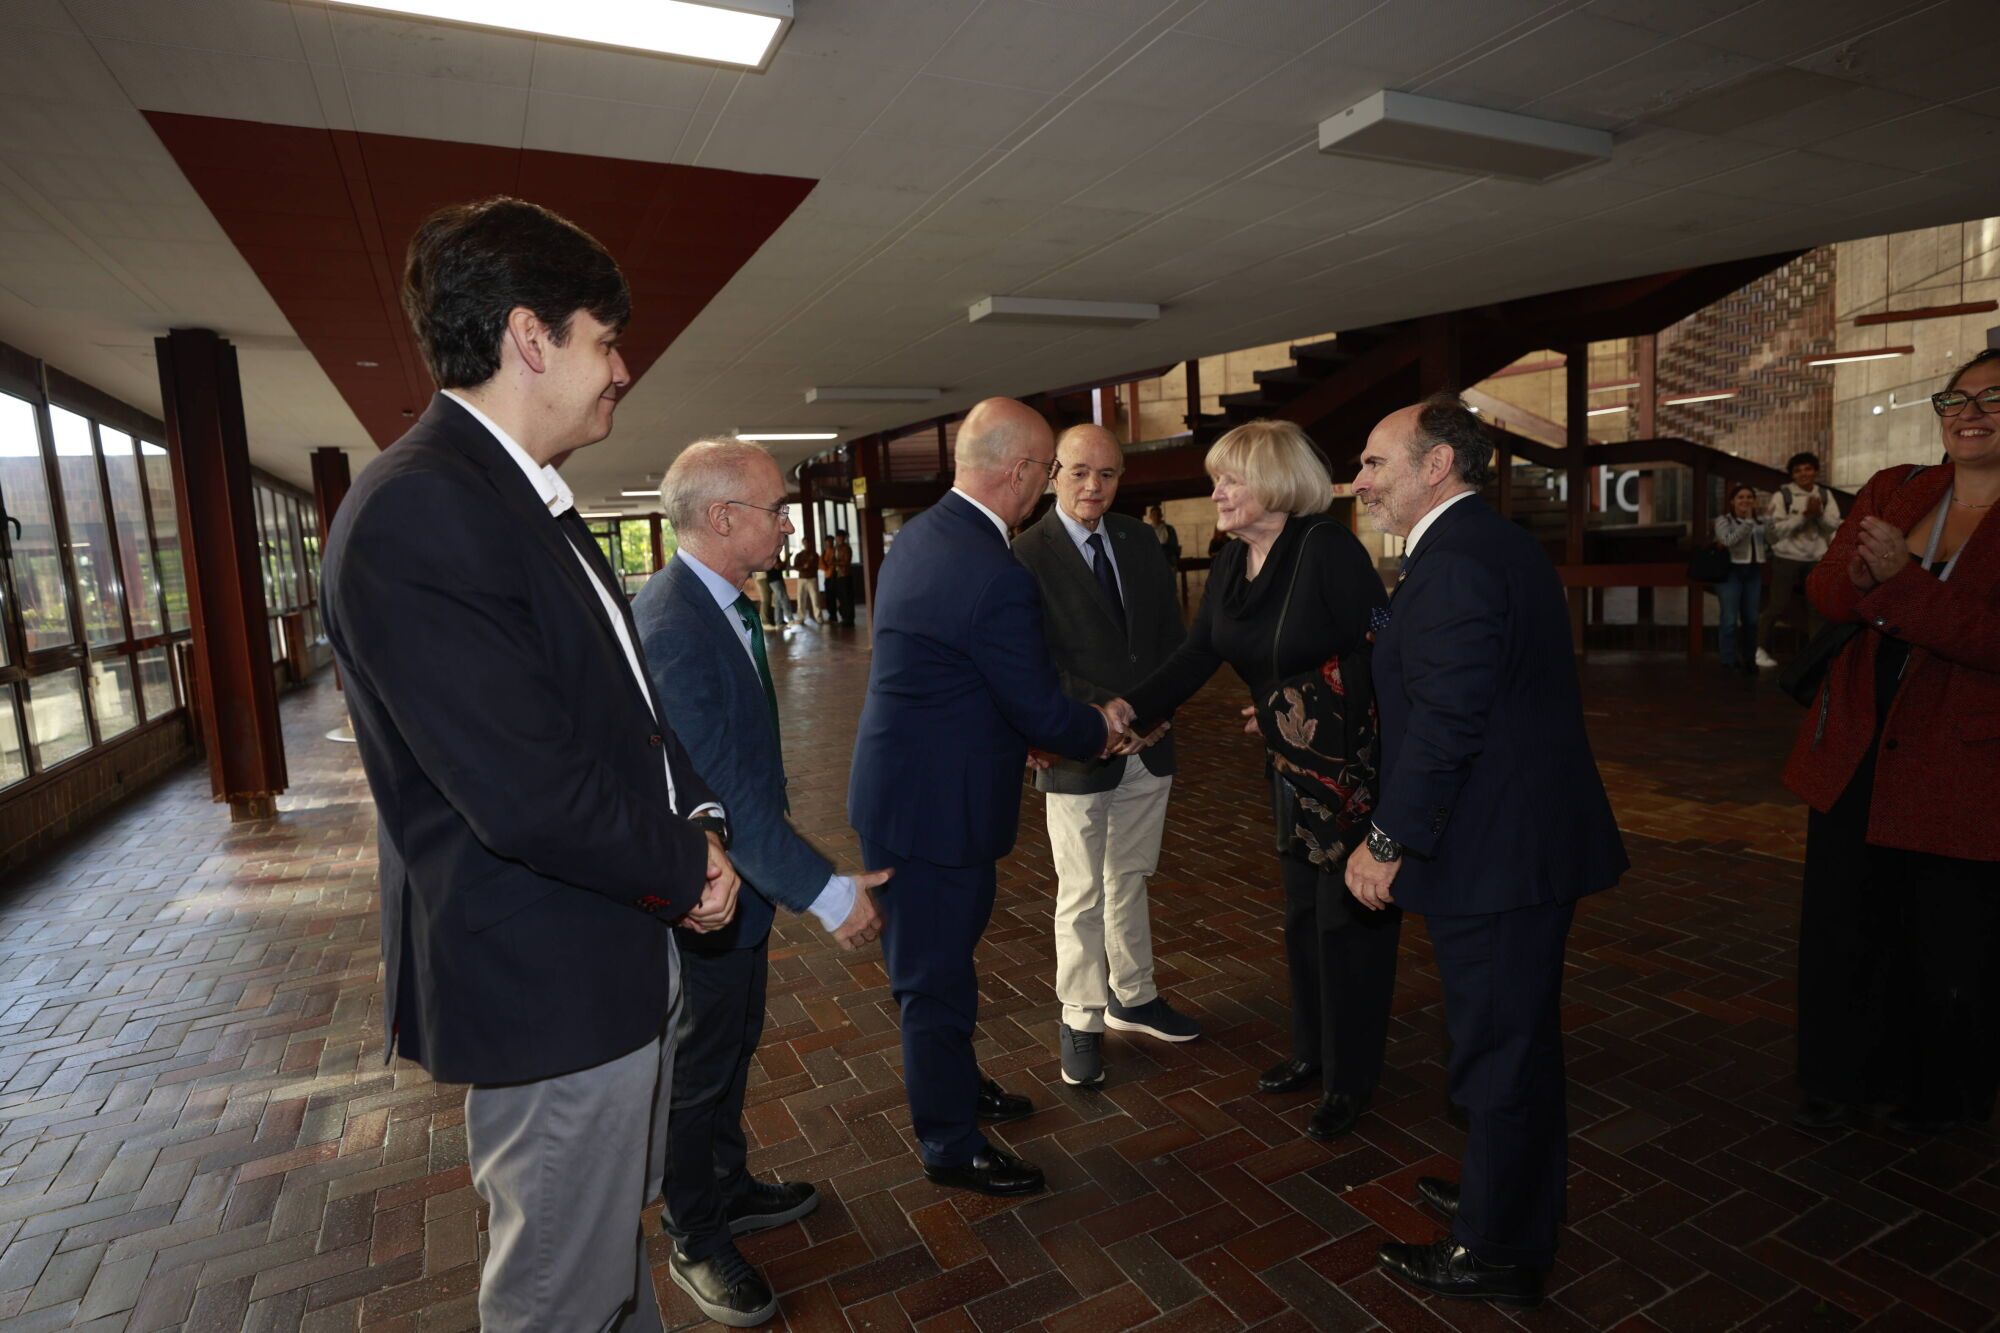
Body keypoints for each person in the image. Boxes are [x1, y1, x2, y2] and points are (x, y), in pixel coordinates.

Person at [320, 197, 740, 1332]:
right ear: (528, 337)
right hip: (548, 981)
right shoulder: (422, 512)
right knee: (558, 1293)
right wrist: (685, 865)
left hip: (596, 954)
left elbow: (624, 708)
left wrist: (694, 817)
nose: (621, 368)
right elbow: (523, 792)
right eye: (605, 339)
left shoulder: (515, 499)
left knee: (605, 1264)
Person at [1349, 392, 1626, 1309]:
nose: (1361, 481)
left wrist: (1388, 838)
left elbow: (1447, 723)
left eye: (1376, 463)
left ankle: (1498, 1247)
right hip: (1514, 838)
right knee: (1512, 1041)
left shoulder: (1460, 561)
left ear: (1437, 466)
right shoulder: (1485, 545)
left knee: (1499, 1050)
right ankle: (1506, 1195)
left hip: (1498, 851)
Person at [633, 442, 891, 1325]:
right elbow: (720, 787)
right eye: (776, 508)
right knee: (700, 1067)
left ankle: (727, 1185)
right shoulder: (672, 621)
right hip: (702, 896)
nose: (788, 522)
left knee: (733, 1042)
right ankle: (696, 1234)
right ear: (720, 518)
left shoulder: (720, 606)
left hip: (738, 890)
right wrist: (827, 891)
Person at [848, 397, 1129, 1197]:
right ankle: (948, 1141)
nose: (1047, 486)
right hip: (935, 811)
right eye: (1046, 471)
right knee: (933, 981)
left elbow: (959, 679)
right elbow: (1036, 704)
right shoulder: (994, 570)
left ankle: (955, 1088)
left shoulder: (923, 535)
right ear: (1019, 472)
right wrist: (1098, 726)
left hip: (911, 794)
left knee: (944, 966)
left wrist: (1036, 725)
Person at [1121, 420, 1390, 1143]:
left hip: (1352, 771)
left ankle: (1351, 1077)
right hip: (1291, 766)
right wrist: (1123, 709)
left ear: (1273, 482)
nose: (1218, 492)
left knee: (1347, 924)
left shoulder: (1326, 549)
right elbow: (1196, 656)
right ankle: (1311, 1050)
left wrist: (1291, 708)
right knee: (1303, 916)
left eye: (1230, 479)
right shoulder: (1235, 562)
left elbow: (1385, 652)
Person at [1784, 348, 2000, 1136]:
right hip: (1856, 742)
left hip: (1965, 757)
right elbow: (1827, 588)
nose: (1970, 412)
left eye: (1993, 398)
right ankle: (1840, 1075)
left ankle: (1941, 1094)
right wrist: (1864, 581)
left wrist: (1902, 584)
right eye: (1957, 398)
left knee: (1951, 935)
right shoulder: (1898, 489)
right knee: (1845, 918)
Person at [1014, 425, 1199, 1089]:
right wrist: (1108, 717)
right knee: (1082, 888)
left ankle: (1134, 994)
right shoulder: (1026, 552)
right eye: (1080, 472)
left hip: (1148, 744)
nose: (1094, 486)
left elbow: (1171, 642)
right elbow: (1031, 662)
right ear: (1053, 473)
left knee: (1129, 875)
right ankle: (1081, 1017)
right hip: (1075, 748)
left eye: (1109, 474)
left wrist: (1150, 713)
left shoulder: (1139, 539)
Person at [1758, 451, 1840, 667]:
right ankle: (1758, 649)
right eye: (1798, 470)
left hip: (1817, 558)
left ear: (1815, 471)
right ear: (1792, 475)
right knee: (1777, 604)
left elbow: (1833, 524)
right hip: (1786, 557)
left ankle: (1816, 655)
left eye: (1807, 469)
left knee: (1817, 608)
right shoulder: (1782, 495)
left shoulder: (1824, 495)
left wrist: (1818, 513)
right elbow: (1775, 530)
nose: (1803, 474)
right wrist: (1803, 516)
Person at [1713, 483, 1769, 675]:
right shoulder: (1724, 520)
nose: (1745, 501)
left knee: (1752, 619)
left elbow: (1774, 541)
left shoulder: (1760, 521)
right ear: (1732, 501)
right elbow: (1728, 540)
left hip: (1753, 571)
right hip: (1730, 572)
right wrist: (1746, 524)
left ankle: (1749, 659)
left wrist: (1771, 525)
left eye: (1749, 497)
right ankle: (1728, 659)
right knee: (1729, 619)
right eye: (1740, 497)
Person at [761, 543, 796, 627]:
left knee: (778, 601)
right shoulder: (771, 555)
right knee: (784, 598)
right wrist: (787, 558)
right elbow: (778, 567)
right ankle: (790, 619)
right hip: (774, 580)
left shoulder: (774, 554)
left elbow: (781, 567)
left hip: (777, 579)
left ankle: (779, 622)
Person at [793, 542, 823, 624]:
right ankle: (801, 618)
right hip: (801, 579)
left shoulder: (815, 555)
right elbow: (795, 566)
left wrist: (810, 566)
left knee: (815, 598)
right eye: (805, 543)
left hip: (812, 578)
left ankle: (818, 617)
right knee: (801, 598)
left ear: (810, 545)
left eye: (808, 543)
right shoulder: (799, 555)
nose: (807, 545)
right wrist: (803, 567)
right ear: (803, 544)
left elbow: (817, 566)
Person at [1145, 502, 1181, 569]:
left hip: (1168, 560)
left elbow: (1174, 545)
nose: (1156, 517)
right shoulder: (1147, 530)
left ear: (1161, 515)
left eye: (1158, 514)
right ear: (1150, 516)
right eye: (1154, 514)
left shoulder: (1169, 529)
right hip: (1153, 561)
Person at [819, 535, 845, 624]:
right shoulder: (824, 552)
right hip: (828, 577)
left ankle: (843, 615)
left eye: (831, 541)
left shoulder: (836, 550)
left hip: (836, 576)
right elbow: (821, 565)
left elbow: (838, 561)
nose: (829, 543)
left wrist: (832, 563)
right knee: (829, 598)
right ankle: (832, 616)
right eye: (828, 541)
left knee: (840, 597)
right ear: (825, 542)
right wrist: (827, 565)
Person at [833, 533, 857, 624]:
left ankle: (849, 619)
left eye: (840, 537)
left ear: (844, 538)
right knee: (841, 598)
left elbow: (846, 562)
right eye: (837, 537)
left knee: (847, 598)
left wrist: (835, 563)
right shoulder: (836, 548)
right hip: (838, 575)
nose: (839, 539)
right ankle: (844, 617)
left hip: (845, 575)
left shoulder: (846, 548)